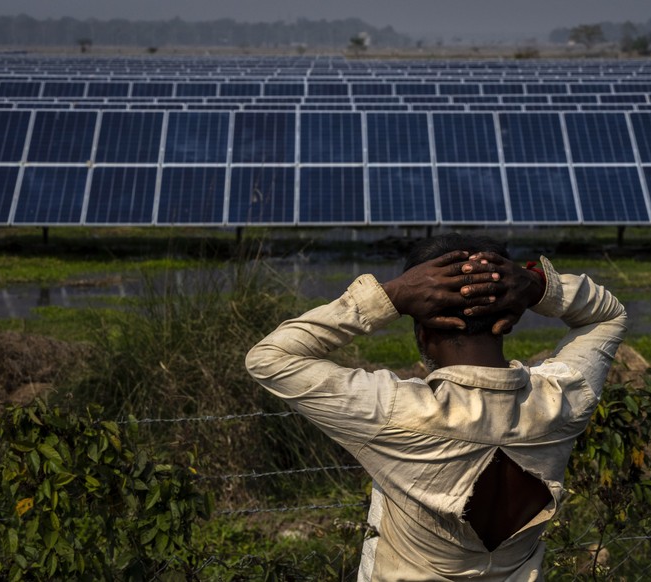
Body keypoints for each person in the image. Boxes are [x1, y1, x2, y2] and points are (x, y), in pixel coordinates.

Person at [245, 233, 627, 581]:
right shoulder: (563, 399)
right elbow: (609, 315)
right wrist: (537, 285)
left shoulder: (394, 411)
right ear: (507, 322)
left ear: (423, 334)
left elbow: (270, 358)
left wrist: (390, 296)